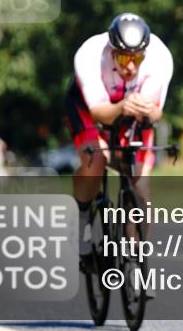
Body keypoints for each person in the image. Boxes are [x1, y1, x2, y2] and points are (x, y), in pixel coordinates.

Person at [64, 13, 173, 258]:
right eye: (124, 58)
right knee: (97, 160)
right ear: (112, 51)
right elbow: (98, 112)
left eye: (137, 58)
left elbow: (156, 113)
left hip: (131, 110)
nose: (131, 66)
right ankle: (82, 216)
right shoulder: (90, 54)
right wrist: (123, 106)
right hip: (88, 107)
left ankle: (137, 254)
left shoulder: (161, 58)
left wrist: (146, 112)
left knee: (141, 184)